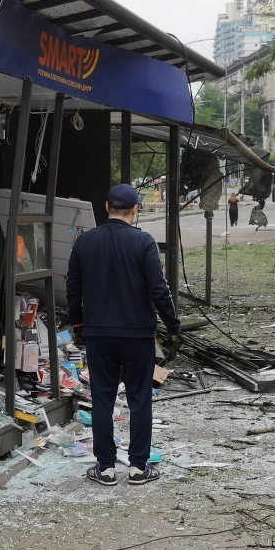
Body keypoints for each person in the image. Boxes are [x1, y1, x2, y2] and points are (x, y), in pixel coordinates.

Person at [66, 184, 176, 487]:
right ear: (135, 209)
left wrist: (78, 325)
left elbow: (72, 289)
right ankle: (139, 467)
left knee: (103, 397)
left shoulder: (85, 242)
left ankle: (105, 468)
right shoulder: (144, 242)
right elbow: (159, 289)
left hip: (99, 333)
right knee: (140, 398)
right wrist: (173, 325)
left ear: (106, 207)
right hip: (138, 334)